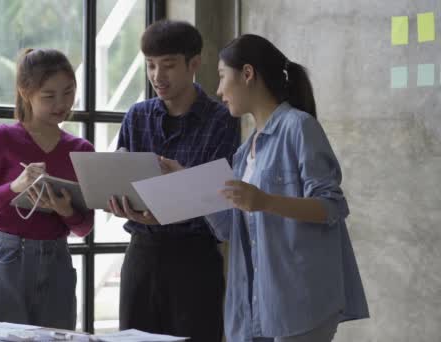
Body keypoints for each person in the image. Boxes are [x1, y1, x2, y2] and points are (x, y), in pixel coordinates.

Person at [163, 33, 370, 341]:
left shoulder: (299, 127)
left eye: (222, 77)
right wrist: (188, 183)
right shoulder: (245, 151)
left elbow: (332, 206)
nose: (219, 90)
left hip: (301, 302)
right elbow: (231, 229)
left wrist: (265, 201)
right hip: (256, 304)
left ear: (247, 74)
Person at [107, 20, 241, 342]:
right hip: (141, 253)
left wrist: (172, 208)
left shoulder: (221, 120)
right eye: (151, 66)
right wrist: (118, 202)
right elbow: (119, 177)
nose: (157, 76)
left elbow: (219, 199)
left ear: (194, 64)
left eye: (168, 66)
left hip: (194, 260)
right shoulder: (136, 116)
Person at [0, 48, 94, 329]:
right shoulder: (3, 138)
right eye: (49, 96)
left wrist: (66, 210)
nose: (62, 103)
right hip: (6, 259)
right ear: (25, 91)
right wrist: (14, 187)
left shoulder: (82, 150)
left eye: (69, 92)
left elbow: (84, 228)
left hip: (57, 261)